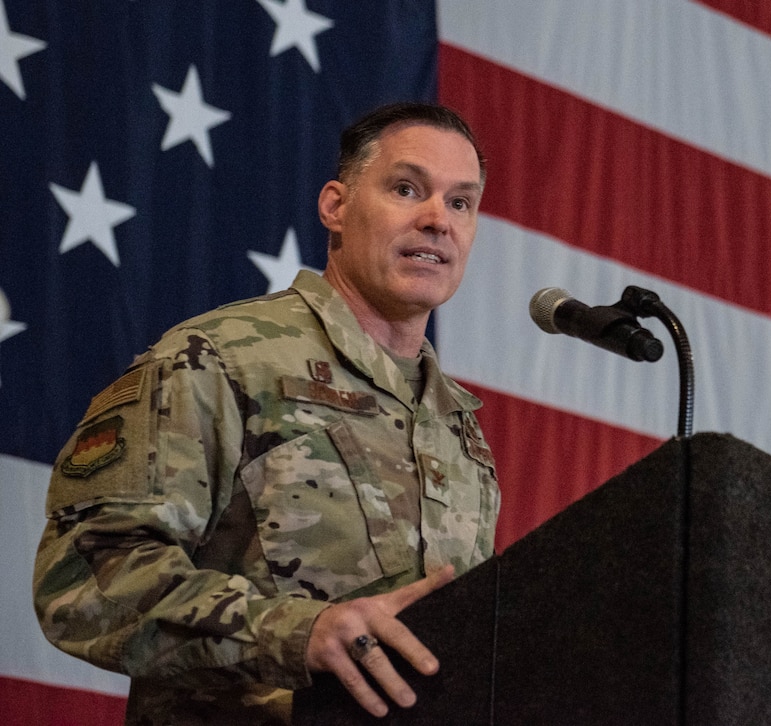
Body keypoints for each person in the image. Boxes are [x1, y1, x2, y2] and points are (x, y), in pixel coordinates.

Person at [33, 102, 500, 724]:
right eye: (406, 189)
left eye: (461, 202)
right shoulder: (218, 359)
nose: (437, 220)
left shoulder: (459, 427)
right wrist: (295, 633)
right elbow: (83, 576)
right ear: (336, 206)